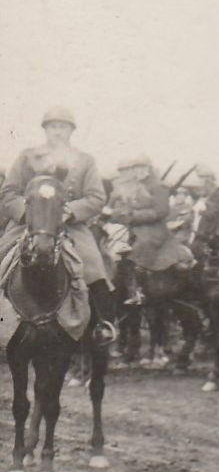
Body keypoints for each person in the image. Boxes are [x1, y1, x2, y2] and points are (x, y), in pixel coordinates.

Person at [0, 107, 116, 344]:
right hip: (28, 225)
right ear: (45, 129)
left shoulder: (84, 161)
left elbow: (96, 197)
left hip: (69, 226)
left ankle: (101, 325)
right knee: (2, 260)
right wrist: (29, 215)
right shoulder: (26, 156)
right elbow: (9, 193)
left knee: (94, 268)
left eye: (63, 127)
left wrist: (69, 212)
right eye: (53, 126)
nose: (58, 132)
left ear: (71, 131)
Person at [109, 156, 195, 304]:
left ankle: (137, 290)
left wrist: (134, 216)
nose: (139, 171)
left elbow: (161, 211)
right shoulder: (131, 187)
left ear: (149, 169)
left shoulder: (159, 186)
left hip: (152, 229)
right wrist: (120, 214)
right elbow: (119, 208)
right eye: (136, 168)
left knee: (139, 247)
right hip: (129, 226)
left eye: (143, 168)